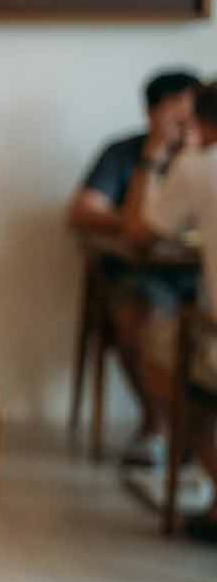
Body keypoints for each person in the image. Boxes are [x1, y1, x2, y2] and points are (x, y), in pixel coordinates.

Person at [68, 68, 201, 466]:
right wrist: (150, 165)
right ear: (152, 115)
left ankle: (194, 434)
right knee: (134, 320)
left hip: (199, 275)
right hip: (139, 275)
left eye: (191, 116)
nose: (184, 126)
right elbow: (83, 211)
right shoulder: (125, 154)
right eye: (174, 116)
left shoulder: (203, 161)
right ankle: (156, 423)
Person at [127, 81, 217, 542]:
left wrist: (155, 155)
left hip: (210, 330)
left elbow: (141, 233)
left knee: (158, 352)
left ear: (203, 124)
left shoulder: (198, 166)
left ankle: (179, 443)